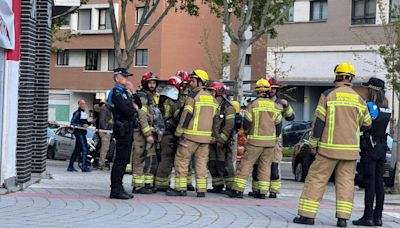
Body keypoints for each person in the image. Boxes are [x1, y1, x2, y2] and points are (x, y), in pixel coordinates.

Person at [293, 62, 372, 227]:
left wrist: (313, 144)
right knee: (346, 183)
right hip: (350, 152)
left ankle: (307, 215)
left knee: (316, 179)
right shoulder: (360, 99)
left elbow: (319, 123)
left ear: (337, 76)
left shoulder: (328, 95)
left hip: (328, 149)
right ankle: (342, 219)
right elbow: (367, 124)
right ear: (351, 79)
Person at [166, 69, 218, 198]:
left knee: (182, 161)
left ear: (200, 81)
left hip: (189, 137)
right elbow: (215, 118)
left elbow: (186, 115)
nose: (190, 83)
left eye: (193, 80)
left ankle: (180, 189)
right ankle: (201, 190)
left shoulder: (192, 97)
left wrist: (178, 133)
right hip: (205, 139)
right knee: (201, 164)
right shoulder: (212, 99)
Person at [228, 78, 282, 199]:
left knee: (245, 165)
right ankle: (262, 192)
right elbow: (279, 125)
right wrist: (275, 138)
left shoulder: (253, 105)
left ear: (257, 91)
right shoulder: (275, 106)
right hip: (270, 143)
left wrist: (247, 133)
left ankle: (238, 190)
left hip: (255, 142)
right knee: (265, 166)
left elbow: (247, 123)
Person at [353, 78, 391, 227]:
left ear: (371, 90)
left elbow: (363, 125)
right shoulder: (387, 107)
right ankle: (378, 217)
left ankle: (367, 216)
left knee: (369, 183)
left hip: (370, 147)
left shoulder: (369, 106)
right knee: (379, 183)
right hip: (382, 147)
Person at [249, 77, 295, 199]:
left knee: (274, 165)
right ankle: (257, 189)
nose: (272, 91)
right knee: (257, 165)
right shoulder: (258, 101)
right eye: (271, 88)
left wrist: (287, 106)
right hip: (260, 137)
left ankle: (273, 190)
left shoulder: (280, 103)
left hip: (275, 139)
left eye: (274, 88)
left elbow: (290, 117)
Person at [155, 74, 192, 191]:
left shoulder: (165, 96)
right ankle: (161, 184)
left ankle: (164, 183)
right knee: (167, 158)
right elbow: (176, 115)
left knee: (172, 158)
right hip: (169, 133)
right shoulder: (171, 99)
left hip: (168, 132)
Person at [108, 67, 141, 200]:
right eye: (125, 77)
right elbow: (127, 110)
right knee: (120, 160)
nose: (127, 79)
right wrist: (134, 109)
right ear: (117, 78)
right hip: (121, 129)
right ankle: (115, 189)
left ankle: (119, 187)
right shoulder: (116, 92)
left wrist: (133, 92)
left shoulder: (125, 92)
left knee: (125, 159)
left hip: (128, 129)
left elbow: (139, 105)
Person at [131, 72, 160, 194]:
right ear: (145, 83)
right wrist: (148, 134)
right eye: (150, 83)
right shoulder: (142, 97)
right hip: (140, 133)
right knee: (139, 158)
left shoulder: (152, 97)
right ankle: (137, 186)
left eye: (154, 83)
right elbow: (141, 116)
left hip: (150, 132)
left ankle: (146, 184)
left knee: (150, 159)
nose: (152, 85)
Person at [207, 82, 236, 194]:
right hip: (211, 142)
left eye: (212, 91)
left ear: (217, 92)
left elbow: (229, 126)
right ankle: (217, 186)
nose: (210, 93)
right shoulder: (211, 105)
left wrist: (222, 140)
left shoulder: (228, 108)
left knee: (224, 165)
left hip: (222, 143)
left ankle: (230, 187)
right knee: (212, 164)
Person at [68, 100, 91, 172]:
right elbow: (73, 123)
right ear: (79, 105)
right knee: (84, 149)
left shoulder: (84, 113)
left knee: (77, 150)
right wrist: (81, 125)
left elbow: (85, 123)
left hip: (82, 133)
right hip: (79, 133)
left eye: (84, 103)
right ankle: (84, 167)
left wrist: (90, 123)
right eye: (82, 104)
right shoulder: (77, 113)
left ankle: (70, 166)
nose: (84, 105)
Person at [98, 101, 113, 170]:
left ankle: (102, 162)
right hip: (104, 131)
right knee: (104, 148)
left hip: (108, 131)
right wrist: (105, 130)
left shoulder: (109, 109)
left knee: (106, 148)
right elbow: (102, 120)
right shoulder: (104, 108)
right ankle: (101, 163)